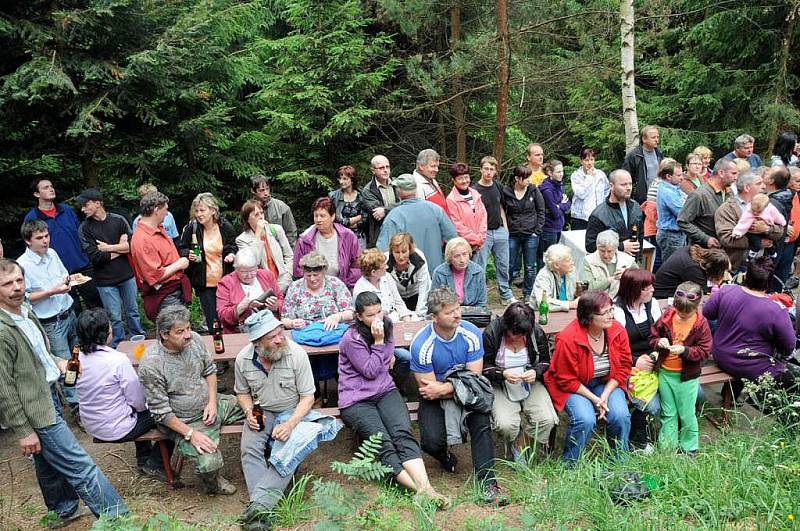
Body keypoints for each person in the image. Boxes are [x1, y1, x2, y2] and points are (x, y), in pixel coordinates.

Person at [0, 259, 129, 526]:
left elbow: (39, 353)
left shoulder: (24, 309)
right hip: (37, 408)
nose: (16, 288)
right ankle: (119, 519)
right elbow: (4, 388)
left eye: (19, 281)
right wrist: (23, 430)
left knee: (46, 461)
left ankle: (63, 509)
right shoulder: (2, 332)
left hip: (49, 393)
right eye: (7, 284)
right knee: (80, 466)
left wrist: (58, 362)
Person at [235, 310, 341, 531]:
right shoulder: (242, 359)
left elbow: (308, 398)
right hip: (261, 409)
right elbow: (242, 393)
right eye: (271, 337)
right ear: (257, 342)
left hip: (293, 411)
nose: (280, 338)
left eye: (280, 332)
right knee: (249, 449)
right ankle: (261, 510)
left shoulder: (296, 354)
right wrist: (248, 411)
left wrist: (291, 423)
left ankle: (259, 509)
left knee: (287, 452)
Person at [338, 292, 448, 505]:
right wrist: (378, 343)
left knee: (402, 433)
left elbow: (388, 361)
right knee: (382, 441)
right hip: (356, 400)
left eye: (379, 311)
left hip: (384, 391)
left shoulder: (387, 326)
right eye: (371, 315)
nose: (377, 318)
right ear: (359, 317)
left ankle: (426, 488)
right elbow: (371, 370)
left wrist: (381, 346)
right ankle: (421, 490)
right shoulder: (351, 338)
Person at [410, 288, 506, 505]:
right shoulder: (421, 343)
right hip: (437, 397)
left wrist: (445, 388)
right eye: (450, 312)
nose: (457, 315)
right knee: (430, 441)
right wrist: (446, 389)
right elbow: (428, 389)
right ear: (434, 317)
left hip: (467, 390)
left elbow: (475, 379)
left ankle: (488, 482)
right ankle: (444, 456)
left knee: (481, 421)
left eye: (457, 308)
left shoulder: (471, 332)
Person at [138, 305, 244, 496]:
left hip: (213, 405)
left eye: (188, 328)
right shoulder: (151, 364)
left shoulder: (194, 339)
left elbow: (209, 371)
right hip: (184, 422)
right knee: (210, 463)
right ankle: (213, 483)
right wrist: (191, 434)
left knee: (255, 409)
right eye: (180, 331)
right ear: (164, 335)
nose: (188, 334)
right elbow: (161, 413)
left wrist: (212, 402)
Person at [73, 308, 166, 477]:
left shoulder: (76, 358)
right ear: (106, 332)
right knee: (166, 412)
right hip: (116, 428)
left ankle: (143, 457)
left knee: (134, 409)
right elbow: (138, 401)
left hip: (92, 425)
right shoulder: (117, 360)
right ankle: (156, 462)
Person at [543, 291, 632, 465]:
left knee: (620, 415)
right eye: (605, 312)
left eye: (611, 310)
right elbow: (565, 378)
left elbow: (624, 367)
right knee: (585, 419)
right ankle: (571, 465)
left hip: (605, 382)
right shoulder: (568, 338)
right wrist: (595, 400)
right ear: (589, 316)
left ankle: (619, 462)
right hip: (574, 386)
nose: (611, 315)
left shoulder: (617, 330)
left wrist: (604, 396)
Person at [703, 257, 797, 395]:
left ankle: (730, 397)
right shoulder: (777, 309)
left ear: (746, 276)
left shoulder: (726, 290)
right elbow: (789, 346)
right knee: (794, 378)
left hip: (720, 355)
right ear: (769, 282)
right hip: (752, 366)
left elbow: (707, 312)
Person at [17, 220, 80, 416]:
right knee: (66, 367)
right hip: (52, 323)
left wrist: (70, 281)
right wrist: (52, 291)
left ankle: (85, 400)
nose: (45, 241)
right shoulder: (22, 265)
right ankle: (77, 409)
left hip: (69, 313)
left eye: (46, 236)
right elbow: (24, 297)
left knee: (77, 359)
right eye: (39, 238)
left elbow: (63, 276)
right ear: (28, 241)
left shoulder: (52, 254)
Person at [482, 302, 558, 460]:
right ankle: (512, 438)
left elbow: (545, 361)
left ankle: (521, 444)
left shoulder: (535, 331)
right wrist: (502, 373)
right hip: (499, 382)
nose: (520, 337)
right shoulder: (492, 333)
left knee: (547, 419)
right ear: (506, 326)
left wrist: (535, 372)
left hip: (529, 380)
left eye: (524, 334)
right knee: (506, 425)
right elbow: (484, 367)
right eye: (515, 334)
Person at [76, 188, 145, 347]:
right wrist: (120, 247)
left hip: (126, 275)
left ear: (98, 203)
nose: (82, 209)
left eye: (85, 205)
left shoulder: (118, 220)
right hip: (104, 281)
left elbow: (133, 247)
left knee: (133, 312)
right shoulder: (84, 228)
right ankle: (118, 347)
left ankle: (140, 342)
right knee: (114, 317)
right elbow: (96, 257)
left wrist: (108, 248)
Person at [649, 282, 711, 454]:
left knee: (686, 413)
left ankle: (689, 447)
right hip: (665, 373)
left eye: (687, 313)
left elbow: (705, 351)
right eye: (679, 311)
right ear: (674, 305)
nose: (682, 315)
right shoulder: (667, 316)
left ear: (696, 307)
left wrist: (685, 350)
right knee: (668, 412)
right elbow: (653, 336)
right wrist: (658, 342)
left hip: (686, 377)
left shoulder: (701, 324)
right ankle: (667, 447)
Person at [23, 177, 102, 310]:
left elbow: (81, 234)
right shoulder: (32, 218)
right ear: (37, 194)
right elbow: (31, 247)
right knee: (73, 309)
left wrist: (86, 255)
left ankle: (104, 330)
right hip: (59, 274)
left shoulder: (66, 210)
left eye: (51, 186)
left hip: (83, 266)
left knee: (97, 305)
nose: (51, 189)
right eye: (46, 187)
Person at [282, 252, 353, 389]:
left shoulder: (335, 284)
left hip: (333, 335)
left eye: (316, 275)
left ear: (324, 272)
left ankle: (346, 390)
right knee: (301, 359)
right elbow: (284, 319)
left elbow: (351, 312)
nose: (312, 279)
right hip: (306, 337)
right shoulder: (295, 287)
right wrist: (292, 323)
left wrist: (337, 317)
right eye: (308, 275)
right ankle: (313, 394)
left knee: (344, 352)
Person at [180, 192, 238, 334]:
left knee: (230, 319)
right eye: (197, 211)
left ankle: (234, 350)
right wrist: (188, 254)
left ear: (213, 210)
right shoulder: (191, 229)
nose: (199, 214)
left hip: (226, 282)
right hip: (205, 284)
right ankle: (218, 350)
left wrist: (231, 254)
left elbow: (232, 245)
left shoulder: (225, 227)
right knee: (214, 322)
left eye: (202, 210)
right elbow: (181, 248)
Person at [376, 174, 458, 274]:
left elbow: (383, 250)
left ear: (398, 192)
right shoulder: (435, 209)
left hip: (408, 277)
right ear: (416, 189)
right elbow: (453, 238)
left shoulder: (394, 216)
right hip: (435, 271)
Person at [129, 191, 190, 320]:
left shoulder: (158, 228)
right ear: (156, 209)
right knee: (175, 334)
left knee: (177, 331)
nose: (167, 213)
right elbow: (154, 275)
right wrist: (179, 264)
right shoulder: (143, 239)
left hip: (173, 292)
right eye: (165, 209)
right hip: (165, 295)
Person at [715, 171, 783, 272]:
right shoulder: (727, 209)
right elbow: (727, 238)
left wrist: (767, 229)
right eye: (759, 183)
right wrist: (757, 242)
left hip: (763, 265)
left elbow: (780, 232)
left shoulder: (767, 205)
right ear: (747, 188)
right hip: (738, 266)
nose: (764, 186)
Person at [293, 197, 361, 290]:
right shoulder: (305, 239)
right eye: (315, 216)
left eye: (322, 216)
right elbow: (298, 270)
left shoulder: (348, 236)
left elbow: (357, 265)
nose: (318, 220)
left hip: (342, 286)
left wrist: (344, 284)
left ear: (332, 216)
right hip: (312, 288)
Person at [474, 155, 515, 303]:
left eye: (491, 169)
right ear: (480, 169)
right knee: (480, 266)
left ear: (495, 171)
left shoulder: (498, 186)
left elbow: (501, 207)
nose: (488, 172)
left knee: (503, 264)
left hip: (499, 230)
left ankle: (505, 293)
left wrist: (505, 228)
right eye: (486, 168)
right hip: (483, 233)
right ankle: (480, 296)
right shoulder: (474, 190)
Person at [216, 248, 283, 334]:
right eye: (244, 272)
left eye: (252, 270)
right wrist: (241, 307)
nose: (249, 275)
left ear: (257, 267)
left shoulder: (267, 275)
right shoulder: (226, 283)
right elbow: (222, 315)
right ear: (236, 269)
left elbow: (282, 300)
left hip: (270, 328)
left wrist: (276, 306)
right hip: (241, 331)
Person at [503, 165, 545, 300]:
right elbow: (501, 209)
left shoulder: (533, 190)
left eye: (529, 177)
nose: (528, 180)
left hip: (530, 233)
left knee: (530, 265)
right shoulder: (507, 191)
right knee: (510, 264)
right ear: (517, 178)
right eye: (525, 178)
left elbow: (541, 211)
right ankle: (506, 292)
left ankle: (528, 293)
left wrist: (536, 231)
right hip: (513, 233)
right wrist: (506, 229)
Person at [678, 158, 739, 248]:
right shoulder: (699, 195)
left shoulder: (729, 193)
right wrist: (705, 239)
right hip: (703, 252)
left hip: (724, 249)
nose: (736, 177)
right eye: (733, 173)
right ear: (721, 173)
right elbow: (683, 221)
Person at [236, 199, 293, 293]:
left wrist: (288, 275)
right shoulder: (242, 240)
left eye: (261, 213)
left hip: (284, 282)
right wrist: (257, 234)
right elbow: (252, 263)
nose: (261, 217)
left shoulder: (276, 230)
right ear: (247, 220)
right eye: (256, 215)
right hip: (263, 287)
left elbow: (289, 255)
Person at [585, 169, 643, 255]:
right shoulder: (598, 215)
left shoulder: (636, 207)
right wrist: (620, 247)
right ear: (611, 186)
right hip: (609, 264)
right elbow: (590, 246)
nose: (628, 188)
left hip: (632, 263)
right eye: (623, 185)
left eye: (630, 184)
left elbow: (640, 235)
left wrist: (639, 259)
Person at [353, 248, 414, 322]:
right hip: (379, 322)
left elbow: (398, 301)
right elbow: (369, 317)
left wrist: (406, 317)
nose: (387, 267)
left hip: (395, 315)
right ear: (373, 272)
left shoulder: (387, 277)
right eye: (384, 266)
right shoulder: (361, 290)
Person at [653, 245, 730, 299]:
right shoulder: (693, 269)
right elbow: (703, 296)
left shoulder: (690, 250)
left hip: (660, 288)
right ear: (714, 269)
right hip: (663, 296)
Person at [446, 162, 487, 260]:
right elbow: (457, 225)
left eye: (466, 177)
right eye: (460, 178)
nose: (464, 181)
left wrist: (481, 236)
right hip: (464, 246)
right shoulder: (451, 199)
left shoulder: (475, 193)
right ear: (454, 180)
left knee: (479, 271)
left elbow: (483, 215)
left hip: (480, 243)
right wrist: (475, 239)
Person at [431, 238, 488, 308]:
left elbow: (482, 303)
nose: (462, 260)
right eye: (457, 256)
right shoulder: (439, 273)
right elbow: (435, 304)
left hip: (473, 314)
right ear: (450, 258)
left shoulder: (478, 271)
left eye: (464, 254)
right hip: (448, 314)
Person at [385, 232, 432, 317]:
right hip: (396, 297)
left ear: (410, 250)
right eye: (397, 252)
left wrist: (420, 313)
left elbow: (424, 287)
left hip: (416, 294)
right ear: (391, 252)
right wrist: (403, 313)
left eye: (404, 252)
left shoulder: (419, 258)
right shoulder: (385, 262)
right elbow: (389, 291)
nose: (401, 256)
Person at [581, 230, 636, 297]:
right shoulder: (589, 260)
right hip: (597, 302)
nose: (606, 255)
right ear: (597, 247)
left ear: (616, 249)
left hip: (622, 301)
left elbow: (641, 279)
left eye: (609, 251)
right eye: (602, 251)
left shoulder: (627, 260)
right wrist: (610, 280)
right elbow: (587, 288)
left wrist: (627, 274)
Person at [732, 193, 786, 261]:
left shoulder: (771, 209)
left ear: (766, 207)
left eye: (758, 212)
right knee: (757, 244)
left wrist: (781, 223)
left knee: (770, 243)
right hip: (752, 233)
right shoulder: (748, 211)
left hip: (767, 230)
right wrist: (738, 232)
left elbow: (778, 218)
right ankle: (750, 256)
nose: (755, 213)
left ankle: (772, 253)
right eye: (753, 210)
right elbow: (743, 222)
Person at [538, 160, 571, 268]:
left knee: (556, 258)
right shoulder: (547, 190)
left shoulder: (560, 185)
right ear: (550, 173)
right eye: (558, 172)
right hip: (548, 228)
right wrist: (562, 205)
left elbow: (568, 203)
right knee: (547, 258)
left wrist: (560, 205)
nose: (561, 174)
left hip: (559, 227)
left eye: (562, 171)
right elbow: (555, 213)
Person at [250, 173, 298, 246]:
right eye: (261, 190)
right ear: (253, 191)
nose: (266, 193)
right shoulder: (249, 209)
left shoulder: (282, 207)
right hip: (258, 250)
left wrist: (288, 254)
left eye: (267, 189)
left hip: (280, 252)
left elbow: (291, 233)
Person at [361, 155, 398, 248]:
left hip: (400, 231)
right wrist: (397, 207)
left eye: (387, 167)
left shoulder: (397, 184)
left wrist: (385, 210)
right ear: (373, 170)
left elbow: (406, 204)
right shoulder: (368, 190)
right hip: (380, 235)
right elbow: (378, 214)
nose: (385, 170)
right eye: (381, 168)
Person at [656, 158, 688, 263]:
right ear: (668, 176)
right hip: (671, 236)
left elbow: (688, 200)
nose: (682, 178)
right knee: (672, 267)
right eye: (678, 175)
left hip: (678, 234)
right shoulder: (667, 192)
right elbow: (683, 212)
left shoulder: (674, 188)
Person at [569, 148, 610, 230]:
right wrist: (589, 177)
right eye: (586, 160)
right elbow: (581, 194)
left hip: (598, 216)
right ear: (581, 161)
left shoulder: (600, 174)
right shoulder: (576, 176)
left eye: (592, 159)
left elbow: (607, 191)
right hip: (581, 218)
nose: (590, 163)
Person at [622, 125, 664, 204]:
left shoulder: (659, 153)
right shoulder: (634, 156)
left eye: (657, 137)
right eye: (653, 137)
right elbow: (625, 178)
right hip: (641, 200)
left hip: (658, 197)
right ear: (644, 139)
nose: (657, 140)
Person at [531, 244, 579, 311]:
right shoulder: (543, 276)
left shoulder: (572, 271)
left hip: (566, 314)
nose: (572, 263)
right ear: (556, 265)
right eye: (568, 260)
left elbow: (576, 295)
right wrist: (570, 304)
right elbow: (544, 303)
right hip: (543, 316)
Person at [329, 165, 367, 247]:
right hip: (340, 238)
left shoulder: (362, 195)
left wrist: (349, 222)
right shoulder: (334, 197)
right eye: (340, 178)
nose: (341, 182)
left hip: (359, 238)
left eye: (345, 179)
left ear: (352, 180)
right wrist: (358, 217)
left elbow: (366, 219)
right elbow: (337, 221)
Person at [412, 148, 449, 214]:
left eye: (437, 166)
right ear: (421, 166)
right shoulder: (417, 186)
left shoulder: (432, 179)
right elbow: (420, 214)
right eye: (433, 166)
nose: (436, 170)